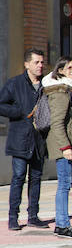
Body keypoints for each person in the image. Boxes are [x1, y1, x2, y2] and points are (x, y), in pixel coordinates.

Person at [0, 48, 49, 231]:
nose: (40, 66)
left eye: (42, 62)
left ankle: (33, 216)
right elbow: (1, 104)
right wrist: (19, 113)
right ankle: (13, 217)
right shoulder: (15, 83)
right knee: (19, 177)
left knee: (36, 178)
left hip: (39, 140)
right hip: (20, 139)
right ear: (26, 64)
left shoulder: (46, 85)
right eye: (36, 62)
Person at [43, 57, 72, 240]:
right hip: (64, 145)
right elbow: (57, 122)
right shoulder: (60, 91)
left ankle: (62, 224)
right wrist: (65, 147)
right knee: (64, 185)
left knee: (66, 184)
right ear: (60, 70)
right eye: (69, 67)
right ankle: (62, 225)